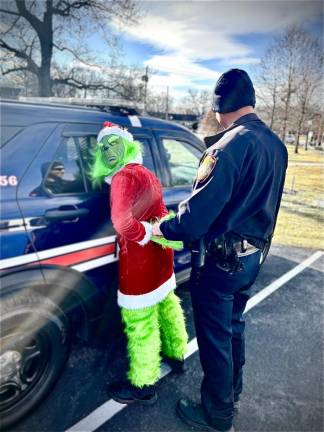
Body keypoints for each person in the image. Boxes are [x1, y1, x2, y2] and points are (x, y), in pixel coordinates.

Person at [153, 69, 288, 432]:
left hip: (220, 262)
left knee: (214, 338)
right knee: (232, 328)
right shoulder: (275, 144)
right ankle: (232, 391)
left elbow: (195, 220)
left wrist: (161, 227)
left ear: (218, 108)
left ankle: (217, 414)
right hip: (252, 257)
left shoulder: (226, 147)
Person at [91, 122, 188, 404]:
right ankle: (177, 354)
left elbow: (122, 222)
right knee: (168, 305)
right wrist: (152, 233)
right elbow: (158, 211)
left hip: (140, 260)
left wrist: (142, 234)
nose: (109, 150)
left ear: (126, 146)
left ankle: (144, 385)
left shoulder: (123, 177)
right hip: (161, 256)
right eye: (103, 146)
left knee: (140, 323)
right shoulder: (145, 172)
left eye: (113, 143)